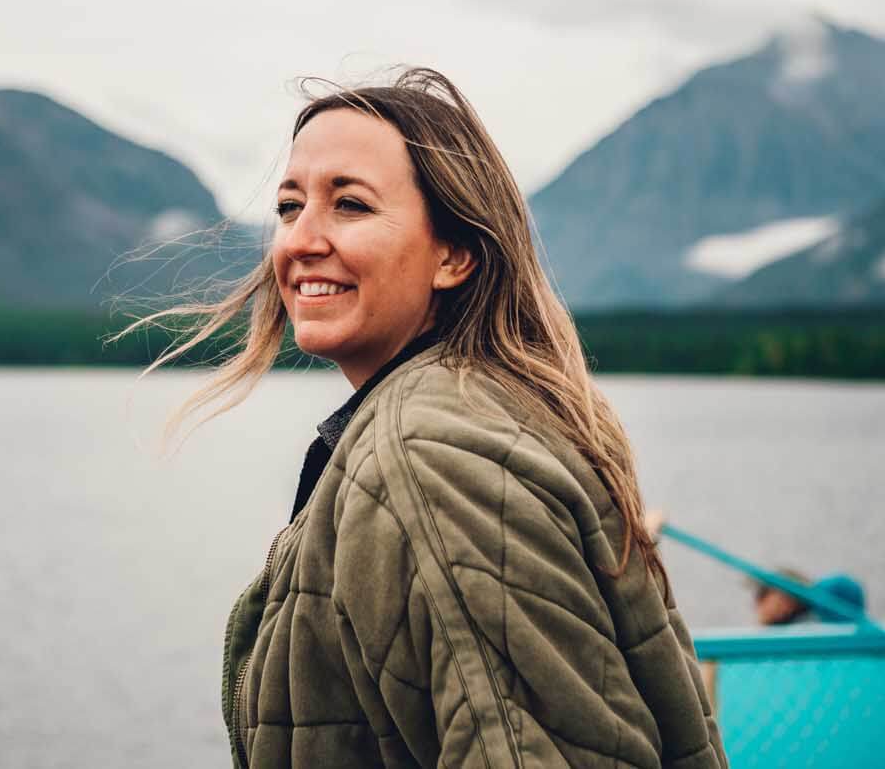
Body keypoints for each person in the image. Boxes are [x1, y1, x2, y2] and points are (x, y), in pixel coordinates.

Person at [136, 68, 727, 768]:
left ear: (454, 254)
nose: (299, 240)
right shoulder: (479, 415)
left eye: (349, 205)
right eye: (290, 207)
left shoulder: (429, 456)